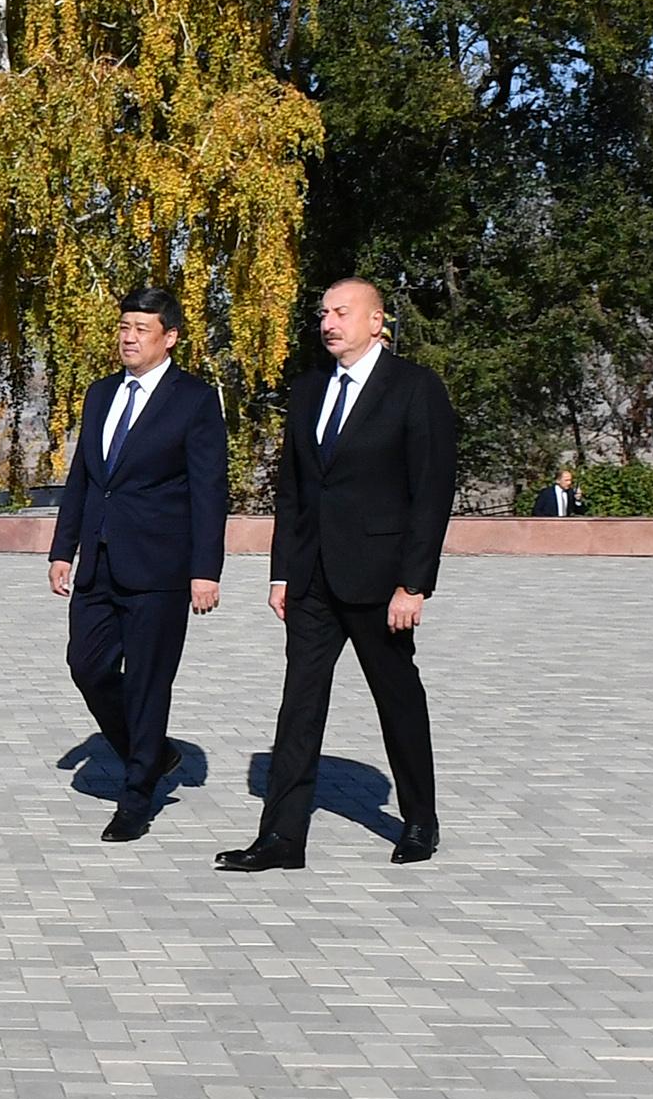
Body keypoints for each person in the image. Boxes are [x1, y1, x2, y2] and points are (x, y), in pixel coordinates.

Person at [218, 278, 456, 873]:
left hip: (381, 581)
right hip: (312, 580)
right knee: (299, 703)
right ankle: (281, 838)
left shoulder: (414, 388)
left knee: (397, 699)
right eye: (323, 313)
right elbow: (294, 490)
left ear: (376, 322)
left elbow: (431, 492)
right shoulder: (308, 390)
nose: (328, 322)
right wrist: (281, 574)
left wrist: (413, 584)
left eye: (342, 312)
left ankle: (419, 820)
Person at [45, 287, 229, 841]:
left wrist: (206, 569)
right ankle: (153, 751)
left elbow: (209, 490)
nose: (128, 337)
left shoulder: (194, 400)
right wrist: (62, 549)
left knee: (149, 682)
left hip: (160, 567)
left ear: (169, 337)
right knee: (87, 665)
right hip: (98, 562)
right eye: (124, 326)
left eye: (141, 329)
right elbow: (84, 477)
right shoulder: (101, 394)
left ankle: (136, 794)